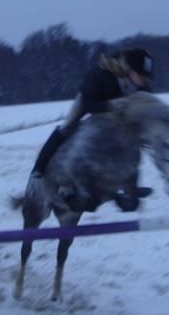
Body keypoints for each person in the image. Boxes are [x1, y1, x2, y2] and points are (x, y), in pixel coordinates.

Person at [30, 48, 155, 212]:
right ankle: (39, 166)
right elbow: (89, 103)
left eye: (146, 77)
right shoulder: (102, 74)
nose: (144, 81)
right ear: (129, 69)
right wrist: (110, 106)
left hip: (117, 110)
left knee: (131, 136)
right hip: (91, 101)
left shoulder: (141, 84)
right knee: (68, 126)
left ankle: (131, 185)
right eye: (141, 76)